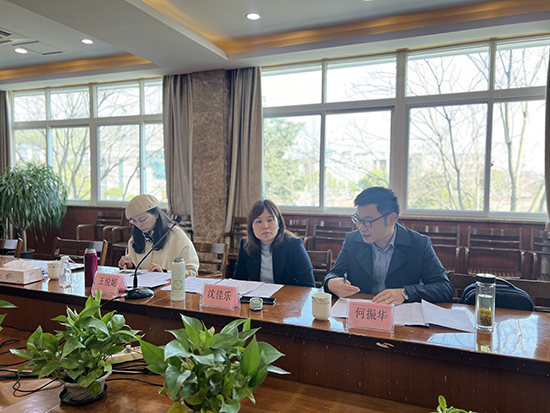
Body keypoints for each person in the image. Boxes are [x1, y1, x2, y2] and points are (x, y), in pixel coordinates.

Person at [323, 187, 453, 304]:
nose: (361, 228)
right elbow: (334, 274)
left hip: (400, 315)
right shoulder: (353, 240)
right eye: (358, 220)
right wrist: (330, 283)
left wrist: (405, 293)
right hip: (361, 311)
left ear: (391, 219)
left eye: (368, 221)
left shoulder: (418, 243)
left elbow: (444, 288)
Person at [233, 199, 315, 287]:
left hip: (287, 295)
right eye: (259, 221)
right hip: (258, 295)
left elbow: (308, 285)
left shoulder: (294, 245)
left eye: (270, 220)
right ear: (251, 226)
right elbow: (238, 282)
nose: (265, 226)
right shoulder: (246, 245)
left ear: (278, 224)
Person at [118, 194, 199, 275]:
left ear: (156, 215)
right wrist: (131, 266)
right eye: (134, 221)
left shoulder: (176, 235)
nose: (139, 225)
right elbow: (139, 269)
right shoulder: (135, 237)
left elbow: (192, 272)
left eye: (143, 220)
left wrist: (164, 272)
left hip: (168, 283)